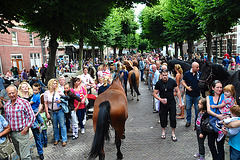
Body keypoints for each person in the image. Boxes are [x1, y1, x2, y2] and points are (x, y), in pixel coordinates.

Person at [4, 85, 35, 159]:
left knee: (25, 156)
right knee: (19, 154)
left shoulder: (24, 102)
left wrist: (26, 128)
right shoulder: (6, 105)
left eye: (13, 93)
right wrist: (8, 132)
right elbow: (7, 119)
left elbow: (32, 116)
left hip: (22, 133)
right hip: (12, 133)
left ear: (17, 92)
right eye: (9, 93)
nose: (11, 95)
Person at [152, 70, 183, 142]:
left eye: (166, 75)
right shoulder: (158, 83)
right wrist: (160, 99)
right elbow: (154, 93)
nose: (164, 77)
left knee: (173, 118)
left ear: (168, 75)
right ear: (161, 75)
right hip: (163, 104)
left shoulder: (172, 81)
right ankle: (163, 131)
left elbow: (178, 91)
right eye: (163, 75)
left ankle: (173, 133)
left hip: (171, 102)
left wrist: (180, 102)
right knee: (163, 117)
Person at [18, 82, 44, 159]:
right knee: (25, 140)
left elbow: (39, 104)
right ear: (20, 89)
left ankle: (40, 152)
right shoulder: (19, 98)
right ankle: (26, 156)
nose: (25, 88)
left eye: (26, 86)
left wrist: (37, 113)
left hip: (34, 117)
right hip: (24, 120)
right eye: (23, 87)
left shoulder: (33, 95)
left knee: (37, 137)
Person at [44, 79, 67, 146]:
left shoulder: (59, 91)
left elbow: (65, 98)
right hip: (52, 111)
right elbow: (45, 103)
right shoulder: (46, 93)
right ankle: (56, 139)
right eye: (54, 83)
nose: (55, 85)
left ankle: (64, 139)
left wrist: (61, 100)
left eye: (56, 83)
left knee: (62, 125)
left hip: (60, 110)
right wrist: (47, 113)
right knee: (55, 126)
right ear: (50, 84)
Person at [206, 80, 225, 160]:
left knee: (220, 145)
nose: (219, 89)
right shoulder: (209, 97)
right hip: (212, 124)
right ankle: (215, 158)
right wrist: (217, 115)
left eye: (221, 87)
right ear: (213, 88)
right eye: (217, 87)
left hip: (221, 125)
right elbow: (208, 110)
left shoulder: (224, 96)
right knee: (210, 144)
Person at [182, 62, 201, 127]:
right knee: (188, 108)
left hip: (197, 95)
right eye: (197, 67)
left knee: (197, 109)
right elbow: (183, 81)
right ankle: (188, 121)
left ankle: (197, 121)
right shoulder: (187, 74)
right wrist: (187, 87)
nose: (198, 68)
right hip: (189, 95)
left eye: (198, 67)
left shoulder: (199, 74)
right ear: (193, 67)